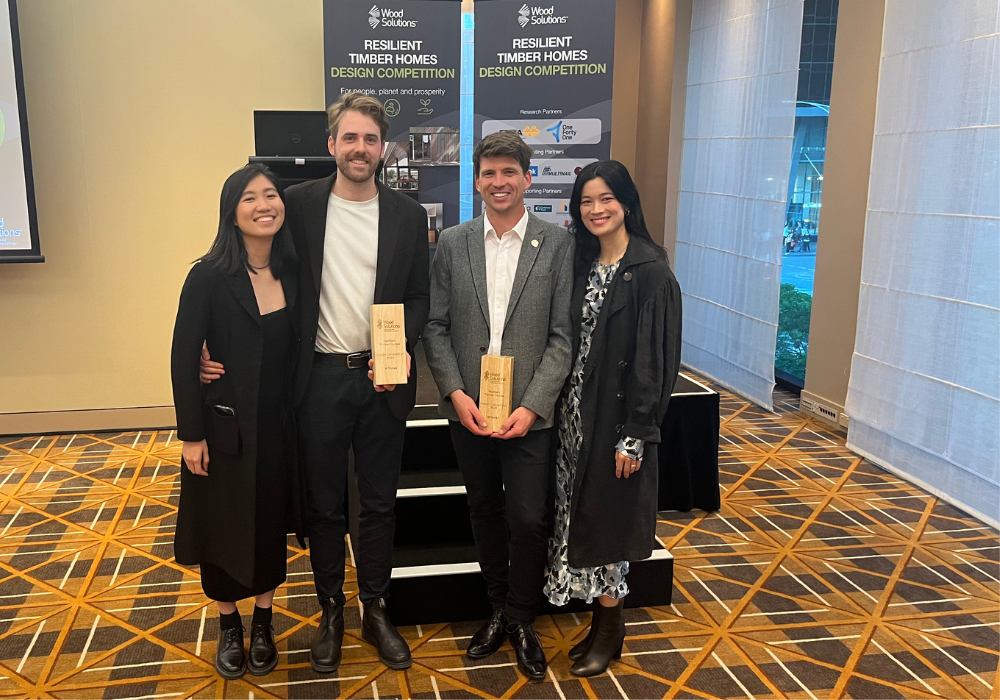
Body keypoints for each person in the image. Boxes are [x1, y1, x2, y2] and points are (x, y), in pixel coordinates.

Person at [200, 93, 430, 672]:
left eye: (370, 140)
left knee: (377, 504)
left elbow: (422, 298)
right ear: (331, 145)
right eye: (349, 138)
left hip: (383, 381)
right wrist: (212, 336)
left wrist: (400, 346)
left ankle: (375, 608)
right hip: (318, 381)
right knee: (325, 507)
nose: (360, 149)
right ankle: (331, 609)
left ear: (384, 148)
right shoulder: (297, 206)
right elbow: (246, 261)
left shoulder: (407, 214)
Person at [423, 131, 574, 680]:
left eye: (509, 172)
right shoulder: (454, 243)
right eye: (488, 173)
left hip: (528, 415)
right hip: (471, 409)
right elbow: (435, 327)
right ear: (477, 180)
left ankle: (522, 618)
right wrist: (455, 393)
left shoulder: (557, 245)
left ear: (528, 179)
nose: (499, 182)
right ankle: (496, 608)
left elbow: (562, 339)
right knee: (484, 510)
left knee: (530, 520)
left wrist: (533, 407)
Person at [543, 160, 682, 677]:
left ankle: (610, 627)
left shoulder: (650, 271)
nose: (596, 210)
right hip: (572, 417)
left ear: (625, 202)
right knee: (581, 518)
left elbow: (656, 362)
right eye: (586, 202)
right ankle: (600, 623)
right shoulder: (580, 262)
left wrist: (636, 435)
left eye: (606, 199)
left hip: (614, 422)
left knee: (609, 523)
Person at [171, 163, 302, 680]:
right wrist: (191, 435)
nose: (264, 205)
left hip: (278, 427)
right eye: (250, 198)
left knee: (269, 523)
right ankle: (229, 624)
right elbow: (184, 357)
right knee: (222, 524)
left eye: (271, 195)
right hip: (222, 428)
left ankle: (265, 620)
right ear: (232, 211)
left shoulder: (293, 270)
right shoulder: (207, 275)